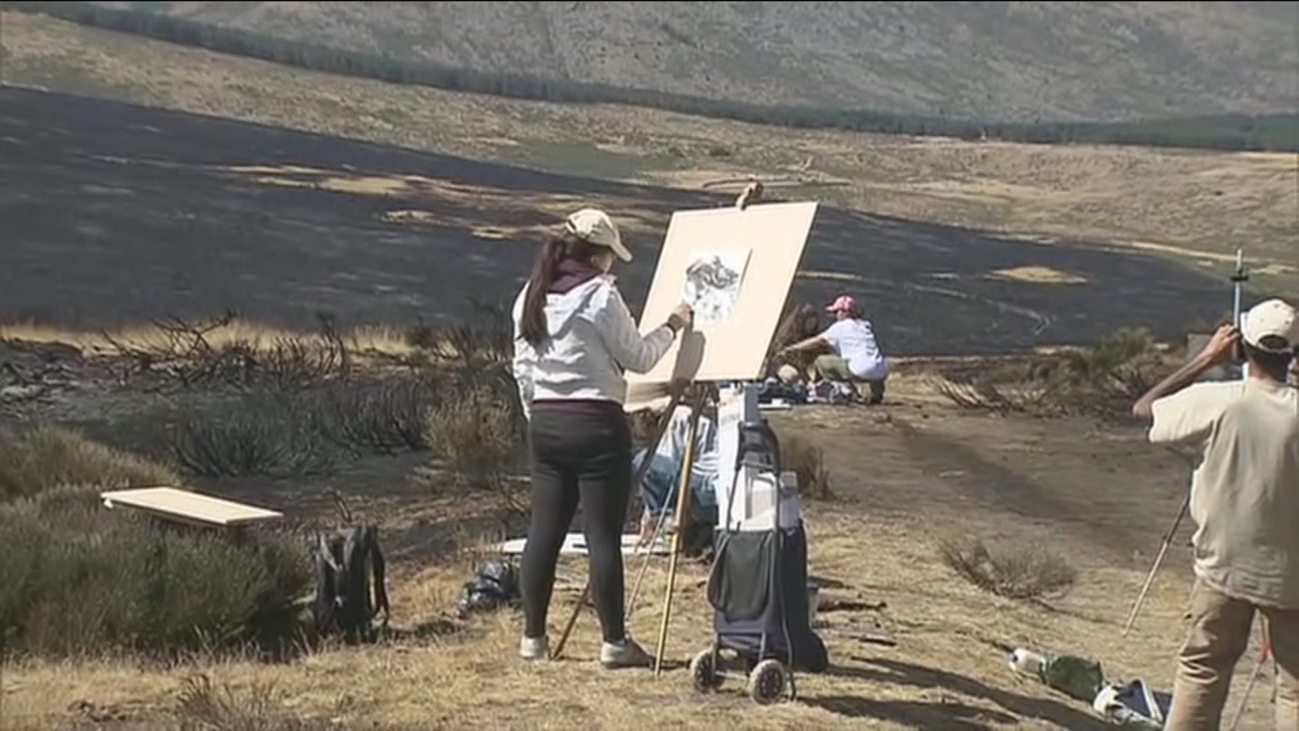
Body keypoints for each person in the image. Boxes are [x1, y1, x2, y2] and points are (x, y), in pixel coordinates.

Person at [511, 208, 692, 669]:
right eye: (613, 255)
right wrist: (672, 326)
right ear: (600, 255)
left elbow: (523, 369)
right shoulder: (599, 297)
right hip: (596, 424)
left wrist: (539, 416)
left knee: (544, 532)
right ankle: (614, 642)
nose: (614, 264)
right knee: (602, 536)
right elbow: (638, 356)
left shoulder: (530, 296)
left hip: (547, 426)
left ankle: (532, 638)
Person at [1131, 298, 1299, 731]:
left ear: (1243, 346)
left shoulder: (1220, 401)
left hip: (1222, 565)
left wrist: (1206, 359)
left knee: (1202, 669)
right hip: (1292, 576)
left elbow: (1145, 408)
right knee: (1294, 688)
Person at [780, 295, 889, 404]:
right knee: (867, 363)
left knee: (821, 361)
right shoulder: (865, 325)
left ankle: (842, 390)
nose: (835, 315)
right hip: (882, 369)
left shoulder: (840, 327)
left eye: (836, 312)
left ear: (843, 312)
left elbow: (817, 341)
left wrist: (793, 348)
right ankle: (876, 393)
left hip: (860, 370)